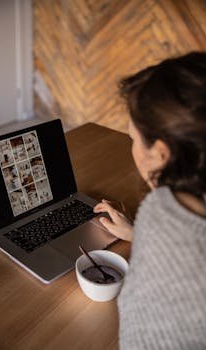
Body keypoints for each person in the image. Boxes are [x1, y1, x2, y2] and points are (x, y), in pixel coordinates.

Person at [94, 52, 206, 349]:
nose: (133, 147)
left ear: (160, 154)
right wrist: (137, 234)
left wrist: (153, 231)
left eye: (133, 137)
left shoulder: (163, 207)